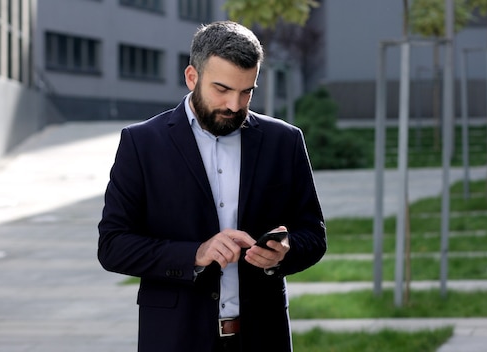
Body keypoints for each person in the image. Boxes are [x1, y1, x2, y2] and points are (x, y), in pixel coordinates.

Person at [98, 20, 327, 352]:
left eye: (246, 91)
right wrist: (196, 253)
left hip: (263, 335)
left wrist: (284, 251)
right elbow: (113, 245)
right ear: (192, 77)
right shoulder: (142, 143)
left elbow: (314, 235)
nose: (235, 105)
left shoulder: (285, 141)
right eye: (222, 89)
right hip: (176, 337)